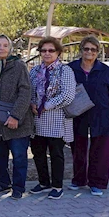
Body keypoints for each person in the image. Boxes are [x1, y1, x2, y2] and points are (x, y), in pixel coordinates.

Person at [68, 36, 109, 197]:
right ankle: (79, 179)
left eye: (93, 49)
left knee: (100, 150)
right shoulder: (71, 69)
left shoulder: (106, 72)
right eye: (86, 49)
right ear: (81, 50)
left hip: (102, 115)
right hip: (78, 115)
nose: (89, 52)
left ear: (98, 52)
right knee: (78, 148)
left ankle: (97, 183)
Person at [0, 34, 33, 199]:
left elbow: (25, 92)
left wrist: (16, 116)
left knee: (18, 156)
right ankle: (3, 183)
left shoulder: (19, 66)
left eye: (5, 45)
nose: (1, 48)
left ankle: (18, 187)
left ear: (10, 49)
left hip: (17, 123)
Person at [28, 36, 76, 199]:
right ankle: (43, 183)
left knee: (56, 154)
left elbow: (68, 95)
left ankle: (57, 185)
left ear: (58, 52)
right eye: (43, 50)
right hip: (36, 119)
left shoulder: (65, 71)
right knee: (38, 153)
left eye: (51, 50)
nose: (47, 53)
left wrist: (46, 105)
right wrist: (33, 104)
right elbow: (28, 91)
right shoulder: (34, 71)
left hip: (56, 119)